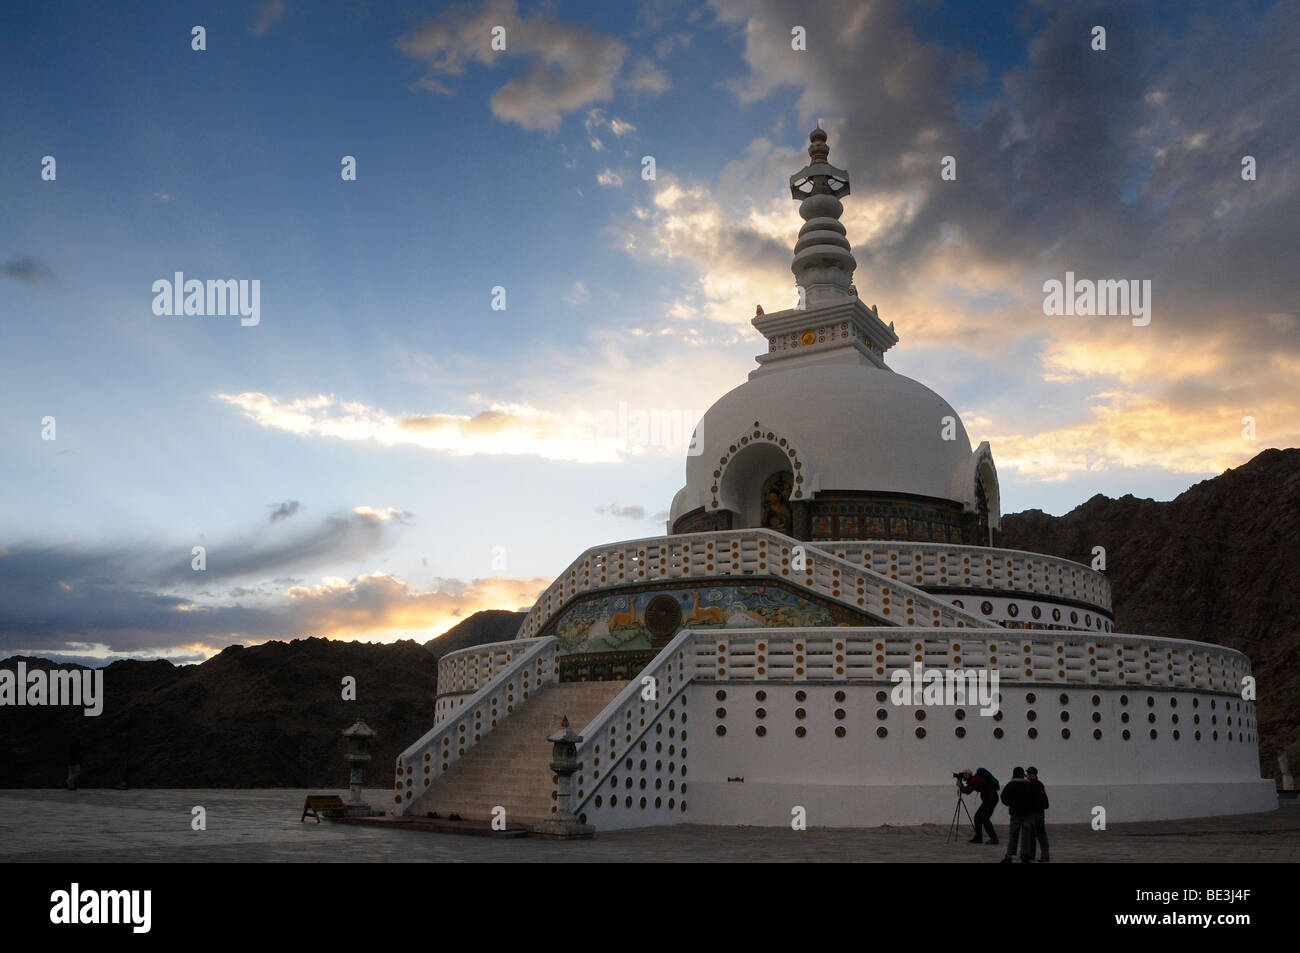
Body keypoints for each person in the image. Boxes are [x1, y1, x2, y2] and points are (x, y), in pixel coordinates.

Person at [999, 766, 1036, 862]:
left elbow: (1004, 798)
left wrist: (1011, 804)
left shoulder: (1010, 785)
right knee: (1026, 837)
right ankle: (1025, 857)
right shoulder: (1029, 785)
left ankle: (1009, 856)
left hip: (1015, 814)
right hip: (1028, 814)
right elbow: (1034, 798)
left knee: (1013, 836)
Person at [956, 768, 999, 845]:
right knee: (977, 817)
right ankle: (978, 838)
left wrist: (960, 785)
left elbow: (967, 791)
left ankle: (994, 838)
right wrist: (961, 784)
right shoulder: (973, 779)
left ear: (969, 774)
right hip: (989, 799)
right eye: (963, 774)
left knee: (985, 818)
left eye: (965, 774)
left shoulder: (975, 780)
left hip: (991, 799)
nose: (963, 776)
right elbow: (967, 789)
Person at [1026, 766, 1050, 862]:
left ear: (1032, 775)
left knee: (1039, 835)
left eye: (1028, 774)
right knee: (1035, 835)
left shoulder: (1034, 785)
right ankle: (1034, 854)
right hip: (1037, 813)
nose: (1026, 775)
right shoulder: (1037, 784)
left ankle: (1044, 855)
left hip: (1036, 813)